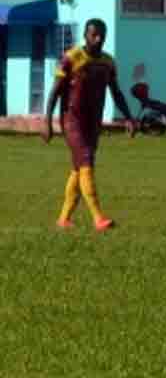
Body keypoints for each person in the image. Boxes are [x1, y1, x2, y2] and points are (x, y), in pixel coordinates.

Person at [42, 18, 137, 231]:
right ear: (85, 35)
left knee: (78, 169)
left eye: (102, 35)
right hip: (71, 120)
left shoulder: (108, 62)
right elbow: (55, 92)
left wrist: (129, 117)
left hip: (93, 122)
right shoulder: (71, 58)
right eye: (94, 35)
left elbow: (116, 92)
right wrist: (47, 122)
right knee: (86, 162)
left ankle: (63, 219)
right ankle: (98, 218)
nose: (98, 39)